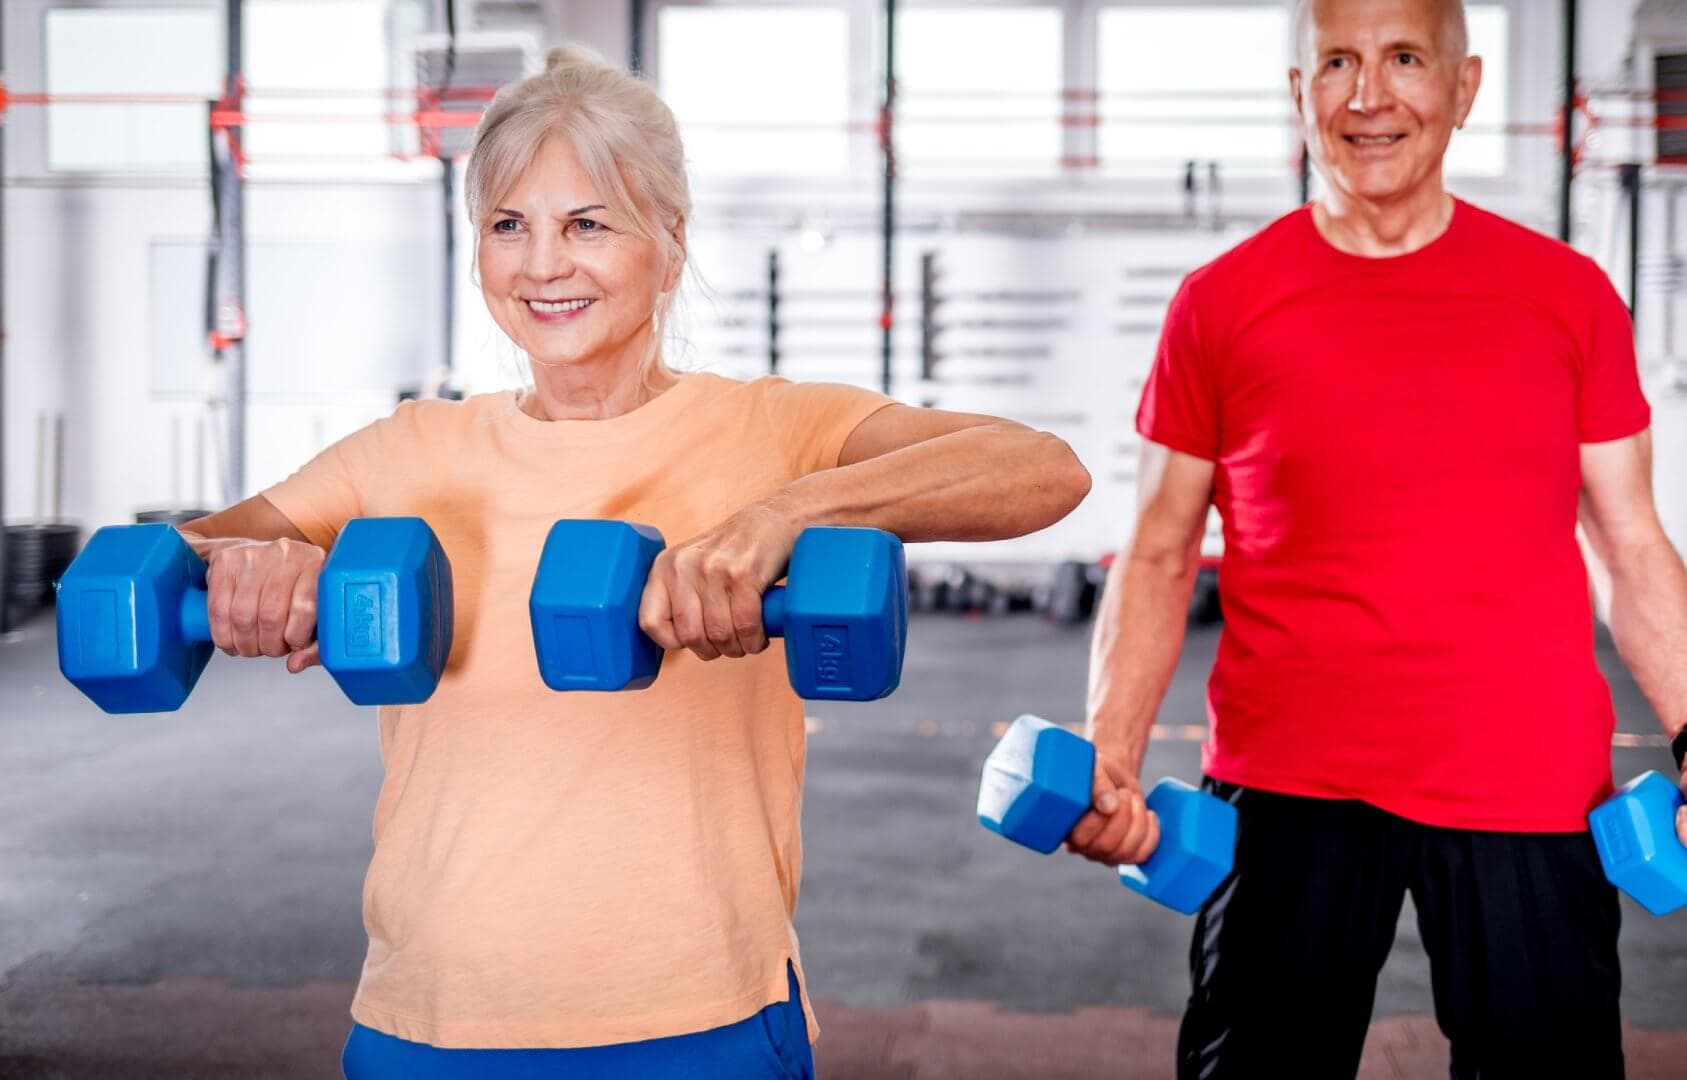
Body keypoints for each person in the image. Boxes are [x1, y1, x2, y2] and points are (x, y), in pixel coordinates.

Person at [180, 46, 1091, 1078]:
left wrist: (787, 510)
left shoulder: (774, 430)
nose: (542, 265)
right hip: (435, 1017)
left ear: (669, 237)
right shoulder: (406, 450)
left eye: (588, 224)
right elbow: (177, 559)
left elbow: (1041, 470)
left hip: (700, 1014)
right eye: (506, 225)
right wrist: (250, 568)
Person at [1069, 1, 1687, 1077]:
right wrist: (1109, 756)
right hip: (1289, 783)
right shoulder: (1220, 305)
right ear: (1297, 92)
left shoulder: (1567, 298)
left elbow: (1632, 547)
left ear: (1463, 85)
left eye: (1404, 59)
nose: (1368, 96)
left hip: (1526, 784)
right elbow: (1161, 552)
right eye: (1336, 63)